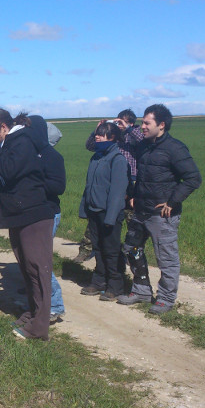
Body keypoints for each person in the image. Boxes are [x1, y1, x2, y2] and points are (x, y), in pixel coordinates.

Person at [116, 104, 202, 314]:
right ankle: (142, 290)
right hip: (141, 211)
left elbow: (193, 178)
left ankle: (165, 298)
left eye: (147, 123)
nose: (142, 126)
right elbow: (143, 175)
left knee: (166, 258)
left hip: (162, 215)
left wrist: (172, 202)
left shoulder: (175, 149)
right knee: (131, 249)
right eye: (143, 122)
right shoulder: (144, 146)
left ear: (161, 125)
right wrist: (135, 196)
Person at [0, 108, 55, 341]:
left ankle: (40, 327)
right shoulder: (7, 144)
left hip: (34, 213)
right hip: (18, 213)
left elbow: (10, 170)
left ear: (3, 128)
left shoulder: (24, 141)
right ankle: (32, 313)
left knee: (38, 269)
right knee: (27, 268)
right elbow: (0, 179)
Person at [74, 109, 143, 263]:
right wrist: (98, 130)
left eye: (122, 122)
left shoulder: (136, 134)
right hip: (111, 182)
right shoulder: (111, 138)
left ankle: (130, 254)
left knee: (132, 223)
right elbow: (90, 146)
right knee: (99, 218)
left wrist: (128, 129)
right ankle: (86, 249)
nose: (118, 125)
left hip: (132, 184)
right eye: (117, 121)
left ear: (131, 122)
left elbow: (143, 141)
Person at [78, 121, 130, 301]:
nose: (97, 136)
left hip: (110, 213)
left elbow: (117, 192)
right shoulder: (97, 157)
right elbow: (89, 186)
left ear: (113, 137)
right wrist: (84, 209)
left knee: (111, 249)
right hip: (94, 211)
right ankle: (99, 281)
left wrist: (110, 217)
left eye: (101, 133)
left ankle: (115, 285)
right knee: (97, 247)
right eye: (96, 133)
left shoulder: (118, 160)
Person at [38, 120, 66, 322]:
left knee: (42, 260)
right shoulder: (35, 155)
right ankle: (40, 299)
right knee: (35, 259)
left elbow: (57, 187)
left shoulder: (52, 157)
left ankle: (55, 305)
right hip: (38, 212)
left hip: (48, 212)